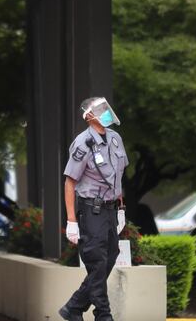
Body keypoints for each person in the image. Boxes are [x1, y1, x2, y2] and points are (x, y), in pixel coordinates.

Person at [58, 97, 128, 321]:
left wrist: (121, 208)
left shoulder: (115, 139)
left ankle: (74, 307)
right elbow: (70, 182)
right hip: (92, 210)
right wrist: (71, 221)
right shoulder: (83, 143)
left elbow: (117, 178)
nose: (105, 112)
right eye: (99, 110)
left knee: (110, 257)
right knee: (97, 262)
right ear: (88, 116)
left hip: (110, 209)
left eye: (105, 108)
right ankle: (103, 315)